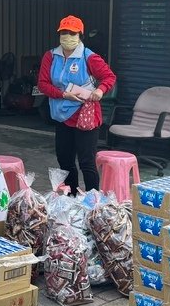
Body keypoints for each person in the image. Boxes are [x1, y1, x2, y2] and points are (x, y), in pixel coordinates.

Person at [37, 15, 116, 194]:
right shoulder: (50, 56)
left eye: (72, 32)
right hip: (61, 116)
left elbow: (109, 76)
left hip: (84, 117)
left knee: (86, 162)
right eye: (64, 32)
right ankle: (71, 196)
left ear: (80, 35)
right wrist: (63, 94)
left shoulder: (89, 57)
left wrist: (100, 91)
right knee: (64, 160)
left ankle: (92, 202)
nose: (68, 36)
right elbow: (43, 84)